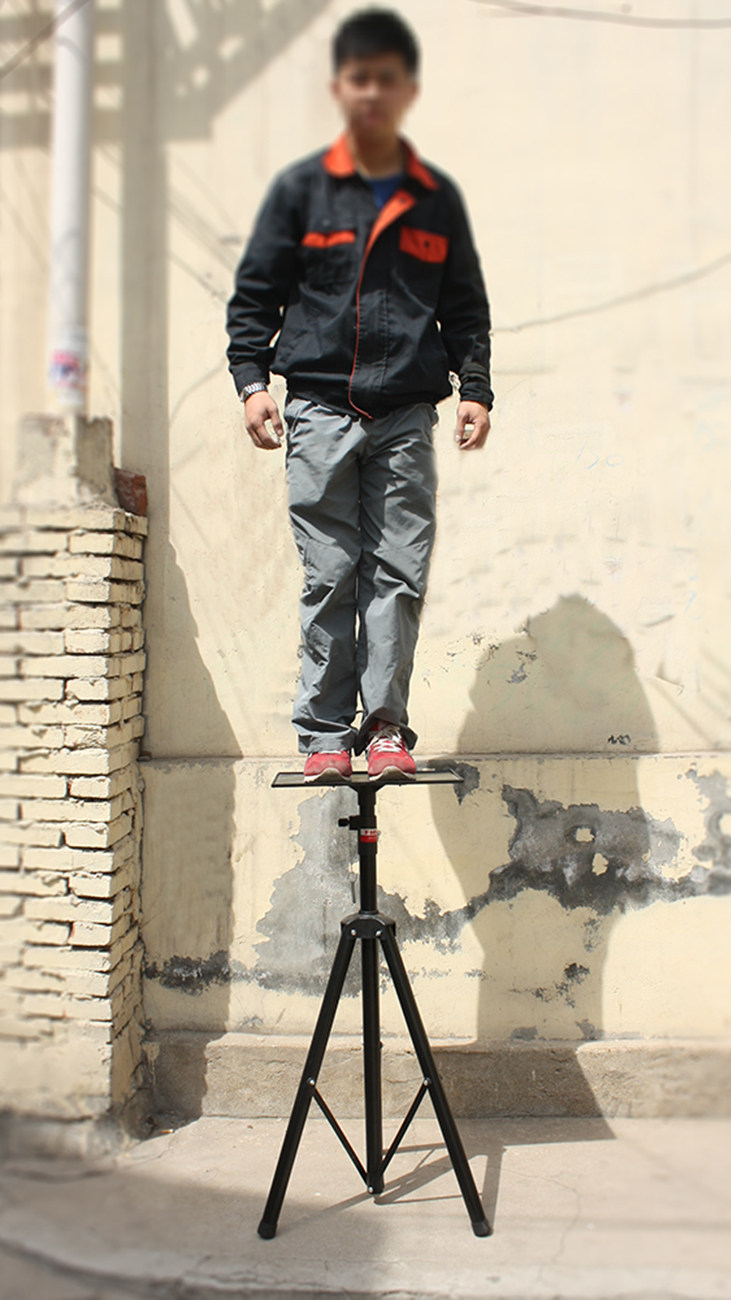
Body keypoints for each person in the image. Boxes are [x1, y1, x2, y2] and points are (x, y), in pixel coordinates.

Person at [226, 7, 493, 782]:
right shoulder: (303, 192)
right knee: (330, 573)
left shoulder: (433, 199)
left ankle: (385, 729)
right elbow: (255, 296)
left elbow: (465, 307)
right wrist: (251, 382)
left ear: (408, 90)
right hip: (319, 412)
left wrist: (475, 388)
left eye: (387, 79)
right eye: (359, 78)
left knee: (397, 576)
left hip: (405, 414)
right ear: (339, 88)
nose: (372, 92)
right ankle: (323, 734)